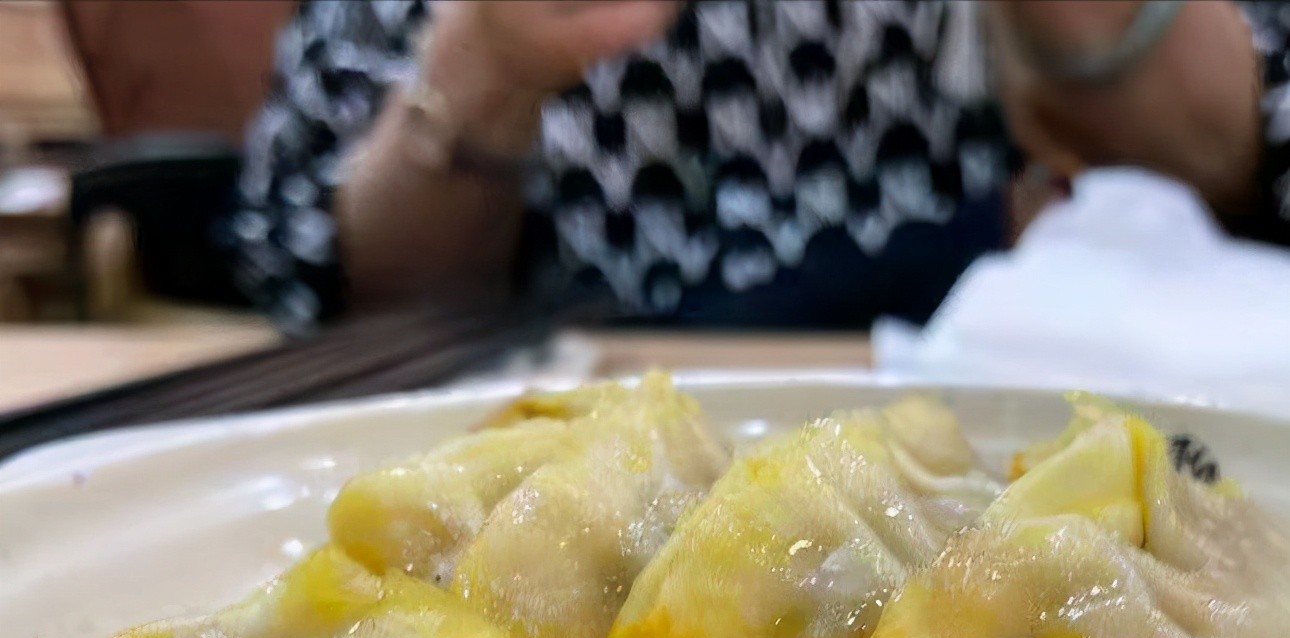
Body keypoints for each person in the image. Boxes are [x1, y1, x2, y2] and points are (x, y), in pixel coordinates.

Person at [231, 0, 1290, 334]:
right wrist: (487, 63)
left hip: (995, 426)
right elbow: (325, 283)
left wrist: (1098, 31)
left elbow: (1252, 171)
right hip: (549, 434)